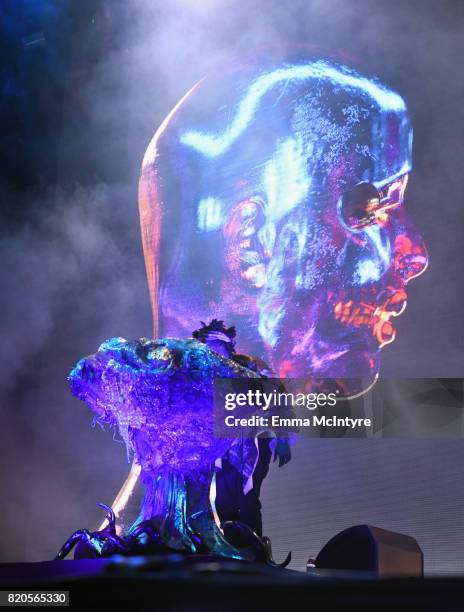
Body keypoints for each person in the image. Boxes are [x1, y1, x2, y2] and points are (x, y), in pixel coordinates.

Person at [193, 318, 291, 537]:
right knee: (224, 500)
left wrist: (283, 439)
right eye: (206, 348)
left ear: (227, 345)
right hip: (223, 447)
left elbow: (278, 396)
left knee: (247, 494)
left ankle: (252, 550)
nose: (212, 352)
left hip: (254, 440)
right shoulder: (205, 375)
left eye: (215, 346)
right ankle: (232, 548)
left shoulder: (249, 364)